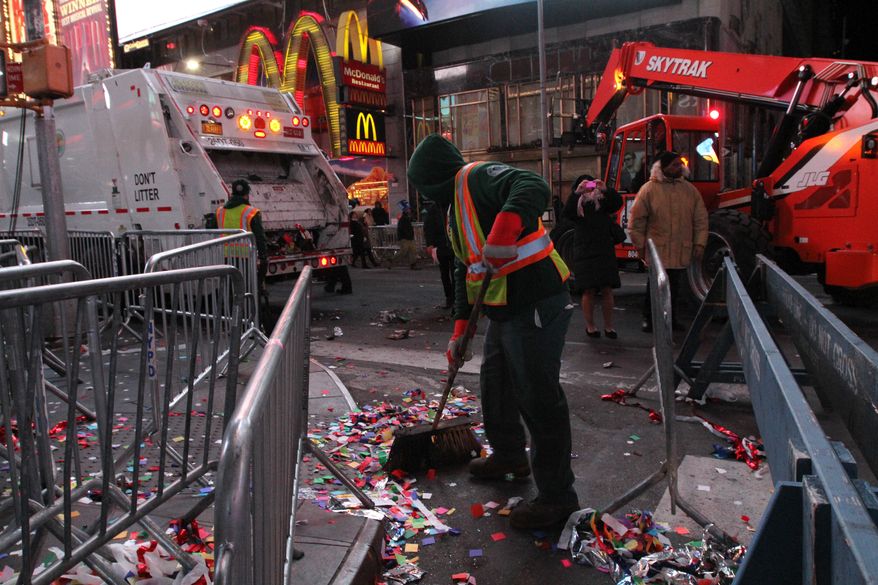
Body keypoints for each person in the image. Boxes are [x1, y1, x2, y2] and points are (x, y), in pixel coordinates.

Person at [408, 134, 578, 531]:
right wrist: (461, 330)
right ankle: (509, 456)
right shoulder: (454, 211)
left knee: (538, 398)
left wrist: (503, 231)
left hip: (538, 299)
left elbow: (533, 185)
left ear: (431, 180)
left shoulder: (477, 176)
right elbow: (466, 269)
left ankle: (557, 497)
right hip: (505, 309)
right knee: (495, 383)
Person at [628, 151, 708, 333]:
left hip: (680, 247)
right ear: (663, 167)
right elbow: (636, 221)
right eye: (674, 165)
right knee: (655, 287)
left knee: (675, 287)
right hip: (658, 249)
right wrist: (640, 246)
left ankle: (671, 319)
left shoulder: (689, 190)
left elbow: (700, 219)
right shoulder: (649, 189)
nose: (678, 167)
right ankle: (649, 318)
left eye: (679, 164)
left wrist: (700, 243)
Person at [562, 174, 623, 339]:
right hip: (585, 250)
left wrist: (605, 189)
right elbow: (567, 213)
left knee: (607, 289)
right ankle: (591, 326)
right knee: (588, 290)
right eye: (585, 185)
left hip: (603, 248)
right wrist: (577, 193)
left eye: (591, 184)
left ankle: (609, 326)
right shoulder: (577, 202)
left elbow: (617, 204)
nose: (589, 187)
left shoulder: (603, 200)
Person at [216, 179, 269, 292]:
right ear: (247, 195)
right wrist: (263, 257)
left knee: (231, 289)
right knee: (247, 289)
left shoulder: (220, 211)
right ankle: (247, 309)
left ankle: (232, 309)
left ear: (232, 194)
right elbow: (260, 237)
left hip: (226, 257)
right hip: (246, 257)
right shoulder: (251, 212)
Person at [422, 199, 454, 308]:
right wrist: (430, 244)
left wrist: (430, 244)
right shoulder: (443, 208)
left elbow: (428, 227)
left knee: (447, 273)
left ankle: (451, 297)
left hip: (444, 246)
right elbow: (428, 227)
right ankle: (452, 298)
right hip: (446, 246)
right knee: (450, 273)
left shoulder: (435, 209)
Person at [396, 201, 419, 270]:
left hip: (408, 237)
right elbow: (403, 229)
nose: (409, 210)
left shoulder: (406, 218)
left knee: (413, 251)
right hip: (405, 238)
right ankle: (391, 260)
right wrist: (408, 235)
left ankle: (413, 264)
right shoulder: (403, 218)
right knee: (403, 252)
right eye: (408, 209)